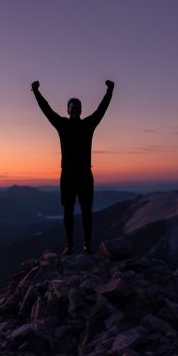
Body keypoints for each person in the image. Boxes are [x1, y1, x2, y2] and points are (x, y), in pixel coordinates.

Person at [31, 79, 114, 256]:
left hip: (83, 174)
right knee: (68, 211)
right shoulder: (62, 124)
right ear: (68, 111)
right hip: (68, 175)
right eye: (72, 107)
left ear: (80, 110)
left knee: (86, 212)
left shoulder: (88, 125)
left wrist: (110, 90)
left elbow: (102, 109)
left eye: (77, 107)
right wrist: (36, 91)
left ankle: (86, 245)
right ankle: (70, 245)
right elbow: (46, 110)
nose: (75, 110)